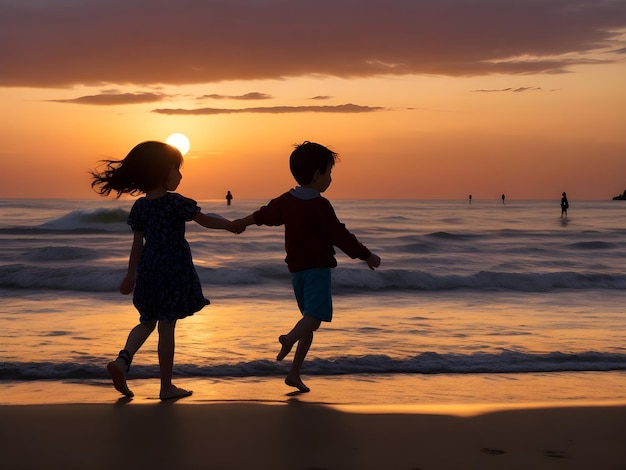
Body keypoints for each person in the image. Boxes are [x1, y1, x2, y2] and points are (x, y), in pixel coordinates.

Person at [90, 141, 242, 400]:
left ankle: (122, 361)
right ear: (161, 172)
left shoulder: (140, 207)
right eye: (176, 169)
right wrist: (230, 225)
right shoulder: (175, 203)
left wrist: (130, 274)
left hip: (148, 270)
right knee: (167, 326)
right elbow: (205, 220)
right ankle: (166, 386)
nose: (180, 175)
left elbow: (137, 245)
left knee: (147, 320)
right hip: (172, 269)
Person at [232, 141, 381, 393]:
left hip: (296, 273)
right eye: (329, 173)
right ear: (317, 175)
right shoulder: (320, 205)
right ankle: (288, 339)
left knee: (307, 322)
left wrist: (240, 223)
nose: (330, 178)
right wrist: (366, 255)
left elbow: (263, 215)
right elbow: (339, 235)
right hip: (316, 270)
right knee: (313, 319)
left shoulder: (286, 201)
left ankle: (294, 374)